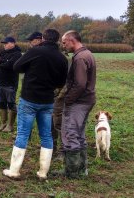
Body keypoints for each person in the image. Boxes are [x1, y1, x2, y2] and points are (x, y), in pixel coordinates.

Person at [2, 29, 68, 180]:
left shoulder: (35, 52)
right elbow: (60, 82)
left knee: (23, 134)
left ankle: (14, 170)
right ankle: (43, 173)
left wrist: (30, 68)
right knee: (46, 136)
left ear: (43, 38)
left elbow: (17, 67)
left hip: (29, 99)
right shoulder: (62, 58)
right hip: (47, 101)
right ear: (57, 40)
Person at [56, 30, 97, 178]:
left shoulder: (80, 58)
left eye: (64, 42)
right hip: (87, 100)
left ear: (72, 40)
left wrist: (68, 100)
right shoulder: (87, 54)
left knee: (71, 133)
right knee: (79, 134)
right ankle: (81, 170)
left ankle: (72, 172)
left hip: (79, 102)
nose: (63, 45)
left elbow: (79, 84)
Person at [0, 36, 22, 132]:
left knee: (11, 104)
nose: (4, 45)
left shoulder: (17, 54)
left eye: (6, 43)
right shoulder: (3, 52)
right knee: (1, 103)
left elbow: (11, 65)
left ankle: (10, 125)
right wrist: (3, 61)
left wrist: (0, 61)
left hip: (10, 84)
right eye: (4, 43)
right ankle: (3, 123)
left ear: (13, 43)